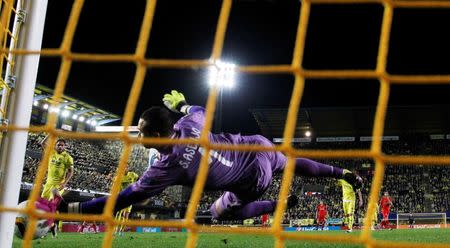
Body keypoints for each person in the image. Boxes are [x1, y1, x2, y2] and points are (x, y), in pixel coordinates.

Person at [57, 90, 363, 221]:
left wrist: (70, 210)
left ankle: (276, 205)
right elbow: (201, 111)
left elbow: (122, 199)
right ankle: (342, 173)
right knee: (293, 162)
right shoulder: (187, 125)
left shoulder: (167, 168)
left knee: (220, 212)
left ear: (159, 136)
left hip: (252, 179)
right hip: (256, 146)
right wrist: (183, 105)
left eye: (142, 132)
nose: (137, 136)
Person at [40, 135, 74, 238]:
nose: (60, 146)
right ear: (55, 145)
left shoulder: (68, 157)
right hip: (48, 184)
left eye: (62, 145)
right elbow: (42, 143)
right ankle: (53, 225)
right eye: (58, 145)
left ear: (65, 147)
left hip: (58, 185)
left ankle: (45, 229)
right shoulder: (51, 153)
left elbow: (71, 171)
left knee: (50, 205)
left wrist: (65, 183)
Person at [114, 170, 139, 236]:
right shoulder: (118, 178)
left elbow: (139, 179)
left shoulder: (132, 174)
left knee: (126, 215)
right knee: (118, 213)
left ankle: (121, 231)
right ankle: (115, 230)